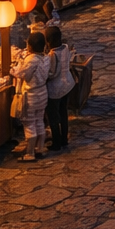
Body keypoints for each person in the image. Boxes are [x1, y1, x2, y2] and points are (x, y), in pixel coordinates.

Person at [12, 31, 52, 160]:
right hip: (42, 93)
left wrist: (12, 69)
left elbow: (22, 74)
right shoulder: (46, 58)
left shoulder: (31, 60)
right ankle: (40, 148)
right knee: (39, 120)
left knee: (29, 123)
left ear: (30, 46)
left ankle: (30, 153)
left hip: (31, 96)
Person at [43, 24, 75, 152]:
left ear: (49, 42)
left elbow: (52, 73)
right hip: (67, 84)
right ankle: (64, 139)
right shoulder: (66, 48)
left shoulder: (52, 55)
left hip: (56, 89)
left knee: (53, 116)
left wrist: (44, 74)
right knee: (63, 113)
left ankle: (56, 142)